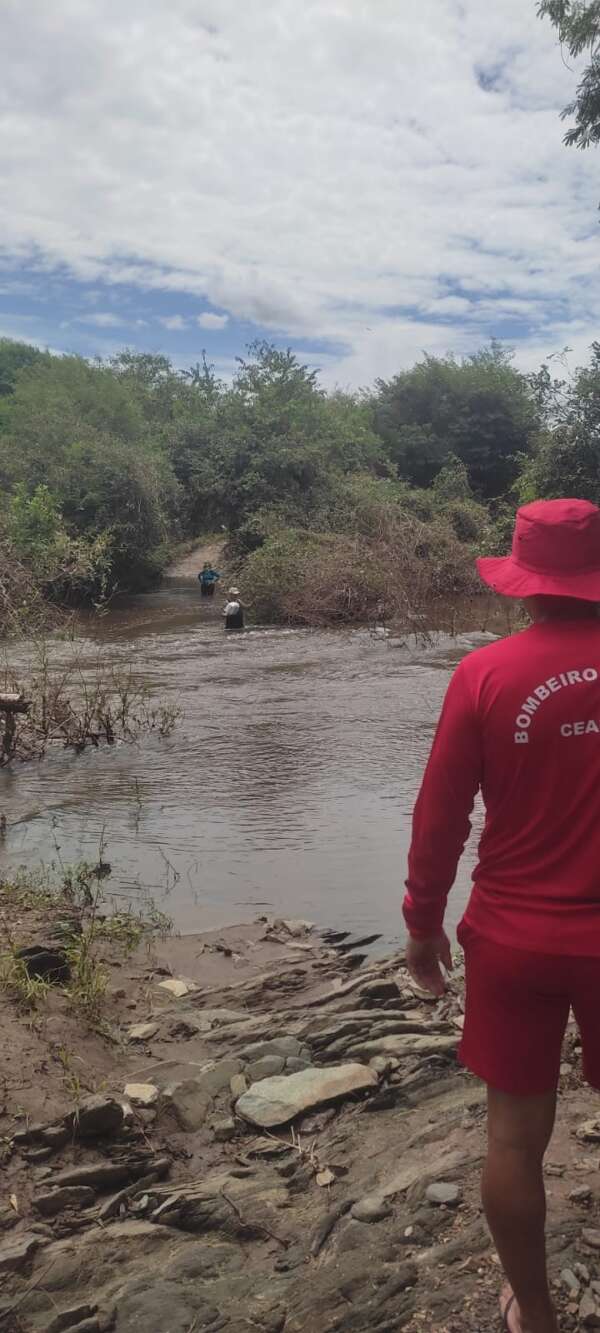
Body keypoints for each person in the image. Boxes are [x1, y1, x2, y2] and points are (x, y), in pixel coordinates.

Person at [403, 498, 600, 1333]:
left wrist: (422, 924)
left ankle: (539, 1313)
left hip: (514, 938)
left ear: (524, 583)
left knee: (515, 1137)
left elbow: (439, 818)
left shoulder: (483, 675)